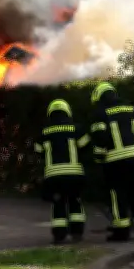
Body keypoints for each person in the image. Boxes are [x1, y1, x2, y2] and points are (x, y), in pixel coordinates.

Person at [89, 82, 134, 242]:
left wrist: (98, 157)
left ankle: (122, 232)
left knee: (118, 196)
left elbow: (100, 138)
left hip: (115, 162)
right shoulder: (131, 108)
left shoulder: (101, 113)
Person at [35, 99, 90, 244]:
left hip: (53, 176)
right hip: (74, 175)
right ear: (67, 111)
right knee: (75, 201)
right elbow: (85, 146)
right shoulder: (76, 129)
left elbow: (38, 151)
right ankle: (77, 233)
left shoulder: (44, 132)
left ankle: (59, 235)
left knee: (58, 203)